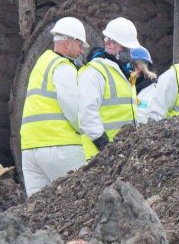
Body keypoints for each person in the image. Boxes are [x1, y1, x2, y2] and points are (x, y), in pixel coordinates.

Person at [19, 17, 89, 197]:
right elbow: (75, 111)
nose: (82, 51)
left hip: (30, 148)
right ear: (67, 44)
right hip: (59, 147)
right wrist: (90, 134)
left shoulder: (42, 63)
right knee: (77, 201)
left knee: (36, 210)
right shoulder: (63, 67)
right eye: (79, 45)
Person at [77, 17, 140, 157]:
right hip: (98, 157)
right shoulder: (94, 72)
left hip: (120, 155)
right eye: (124, 47)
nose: (128, 52)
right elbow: (87, 114)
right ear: (109, 44)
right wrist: (105, 147)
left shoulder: (124, 73)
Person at [129, 46, 159, 122]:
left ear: (139, 67)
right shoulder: (129, 85)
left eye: (129, 66)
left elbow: (141, 117)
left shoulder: (151, 89)